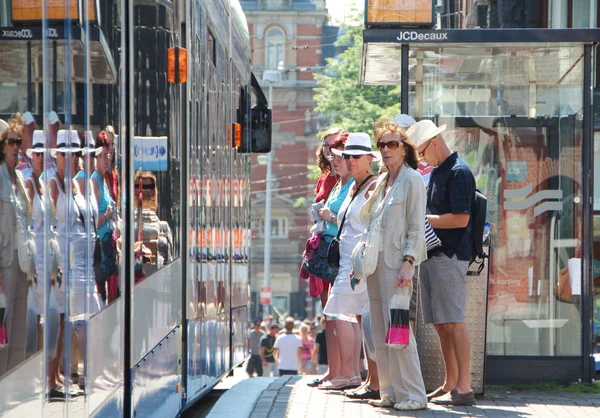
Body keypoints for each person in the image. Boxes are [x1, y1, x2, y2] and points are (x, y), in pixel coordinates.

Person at [360, 117, 428, 411]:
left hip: (398, 264)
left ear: (404, 149)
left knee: (399, 330)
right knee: (379, 331)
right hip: (376, 265)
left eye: (392, 144)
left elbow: (416, 226)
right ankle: (389, 392)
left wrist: (409, 263)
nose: (386, 149)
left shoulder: (412, 179)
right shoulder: (384, 181)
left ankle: (414, 395)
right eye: (382, 144)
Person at [408, 119, 476, 406]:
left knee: (453, 322)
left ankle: (464, 386)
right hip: (434, 254)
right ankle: (451, 383)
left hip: (450, 255)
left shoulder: (459, 172)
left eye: (422, 152)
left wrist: (422, 220)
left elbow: (462, 218)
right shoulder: (439, 170)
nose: (422, 159)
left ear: (434, 143)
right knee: (441, 324)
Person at [320, 133, 379, 390]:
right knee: (354, 316)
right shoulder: (352, 186)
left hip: (359, 263)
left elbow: (375, 225)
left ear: (368, 159)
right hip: (347, 261)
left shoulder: (373, 186)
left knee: (343, 313)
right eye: (347, 156)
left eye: (356, 156)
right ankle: (359, 376)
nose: (350, 160)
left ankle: (351, 373)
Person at [0, 115, 33, 376]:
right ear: (2, 145)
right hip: (5, 262)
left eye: (18, 141)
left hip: (21, 262)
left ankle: (13, 381)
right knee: (6, 327)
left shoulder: (20, 180)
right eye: (11, 141)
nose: (15, 146)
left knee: (20, 324)